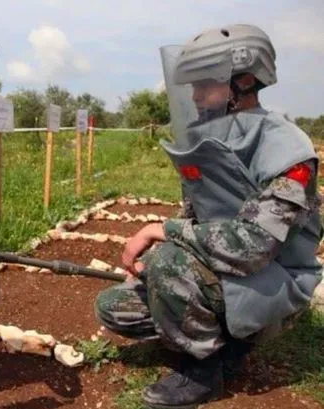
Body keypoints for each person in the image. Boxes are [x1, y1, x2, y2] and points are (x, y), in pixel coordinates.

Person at [94, 23, 323, 409]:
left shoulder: (286, 148)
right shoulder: (211, 135)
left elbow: (253, 245)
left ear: (245, 80)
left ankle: (202, 370)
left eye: (204, 84)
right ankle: (223, 339)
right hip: (226, 270)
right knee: (114, 306)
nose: (195, 96)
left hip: (273, 277)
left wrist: (161, 231)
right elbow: (198, 216)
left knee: (169, 260)